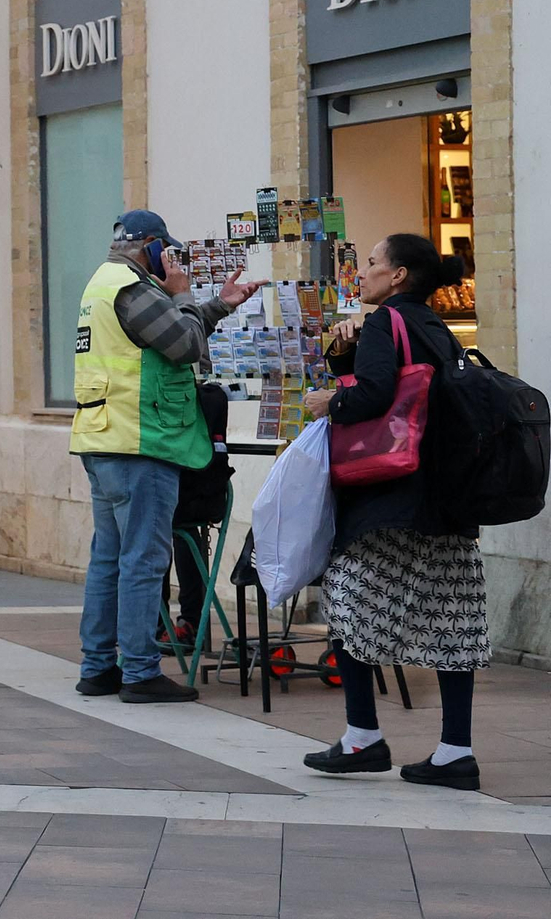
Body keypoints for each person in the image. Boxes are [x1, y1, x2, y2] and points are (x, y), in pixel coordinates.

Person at [301, 235, 486, 790]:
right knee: (452, 621)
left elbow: (375, 395)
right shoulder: (437, 328)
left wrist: (328, 401)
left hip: (392, 499)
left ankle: (362, 736)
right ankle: (456, 752)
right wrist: (347, 353)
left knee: (345, 601)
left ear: (398, 275)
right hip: (448, 500)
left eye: (372, 263)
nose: (362, 272)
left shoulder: (386, 321)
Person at [70, 210, 264, 703]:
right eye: (167, 250)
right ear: (151, 246)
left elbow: (169, 335)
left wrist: (217, 306)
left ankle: (98, 668)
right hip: (141, 440)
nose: (171, 260)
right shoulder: (133, 288)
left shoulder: (104, 283)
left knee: (109, 558)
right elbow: (185, 345)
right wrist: (182, 294)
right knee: (144, 559)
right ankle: (139, 671)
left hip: (104, 438)